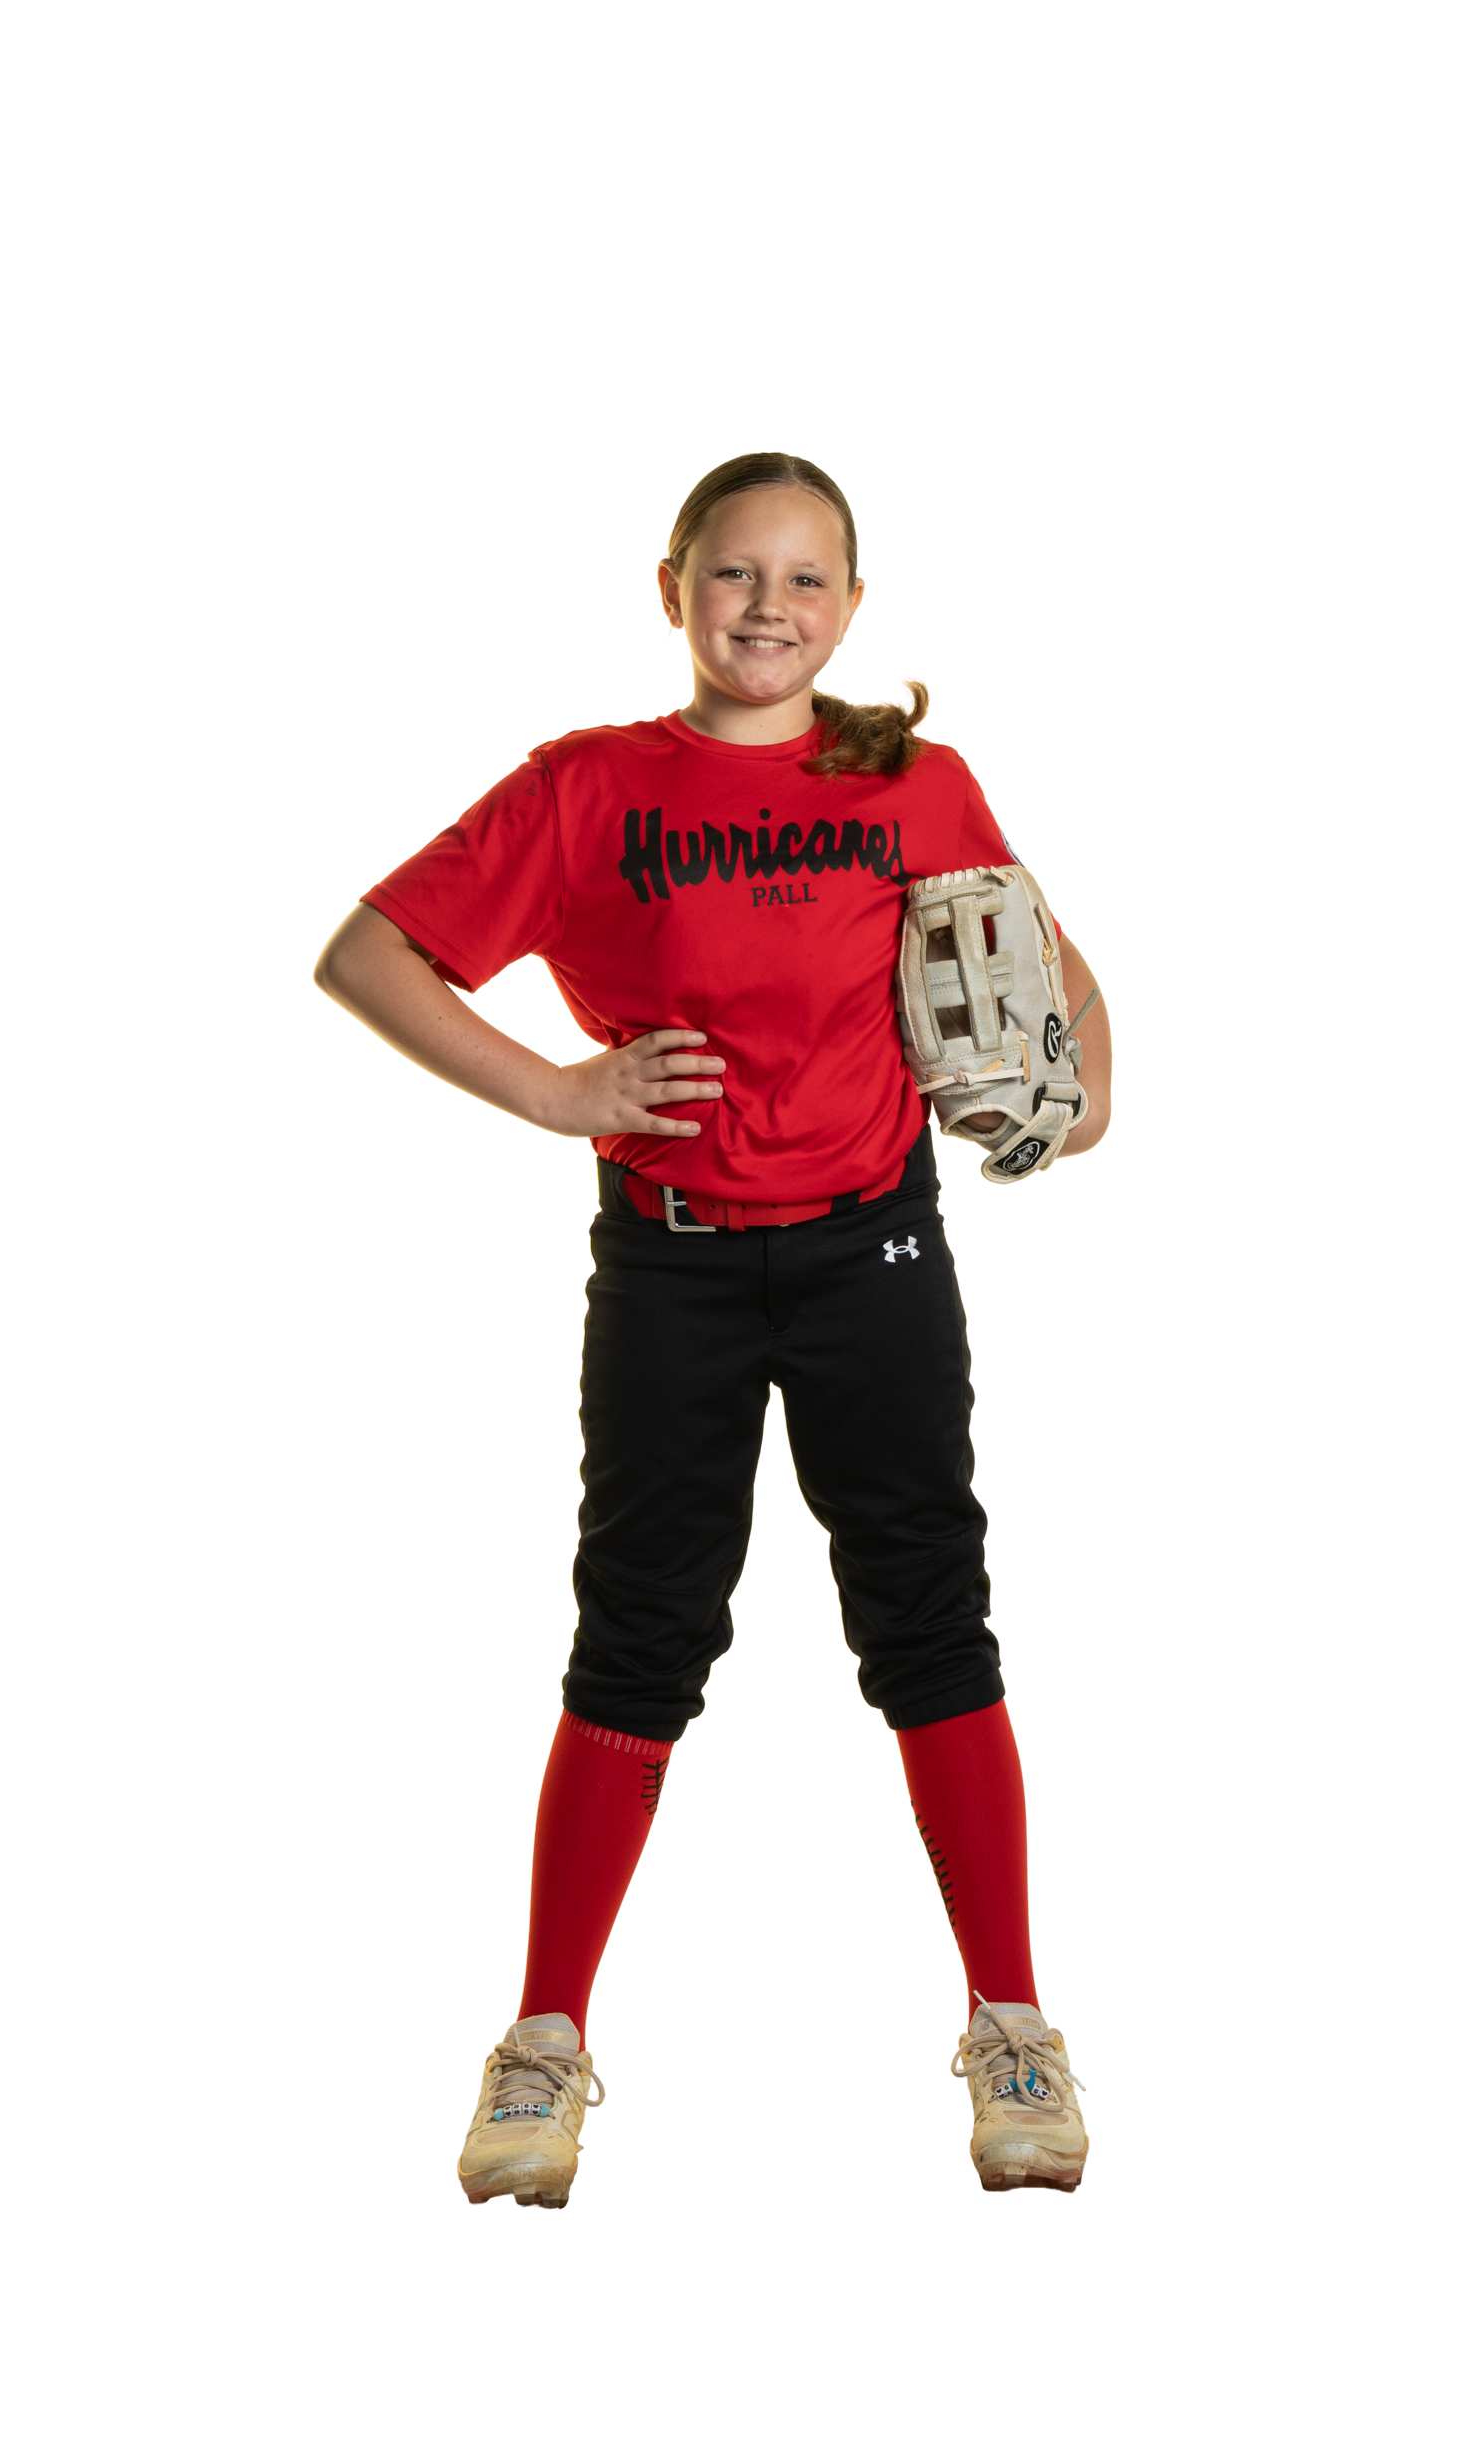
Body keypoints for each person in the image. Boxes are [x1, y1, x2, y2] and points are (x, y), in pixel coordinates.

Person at [312, 451, 1112, 2206]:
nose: (770, 605)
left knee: (930, 1610)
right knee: (637, 1630)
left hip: (875, 1246)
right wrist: (558, 1091)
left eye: (807, 577)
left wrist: (1090, 1094)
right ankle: (542, 2041)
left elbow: (1048, 949)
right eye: (735, 571)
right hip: (667, 1260)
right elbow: (365, 952)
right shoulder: (588, 784)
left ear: (853, 606)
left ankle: (1012, 2021)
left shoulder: (911, 777)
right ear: (670, 589)